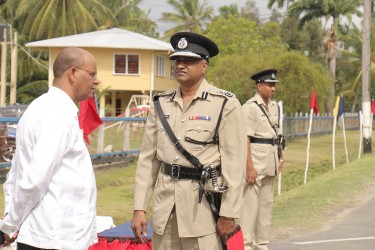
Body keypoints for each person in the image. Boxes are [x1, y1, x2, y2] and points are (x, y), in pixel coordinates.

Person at [131, 32, 247, 250]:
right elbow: (148, 160)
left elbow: (234, 163)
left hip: (202, 211)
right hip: (165, 211)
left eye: (189, 61)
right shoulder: (160, 103)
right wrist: (139, 207)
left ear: (204, 66)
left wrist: (229, 213)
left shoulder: (225, 104)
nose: (181, 65)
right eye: (177, 60)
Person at [0, 47, 99, 250]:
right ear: (73, 73)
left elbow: (17, 173)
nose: (96, 81)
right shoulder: (56, 114)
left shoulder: (43, 107)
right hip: (53, 237)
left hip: (51, 236)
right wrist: (10, 225)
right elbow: (34, 180)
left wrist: (10, 219)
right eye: (92, 74)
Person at [239, 69, 284, 250]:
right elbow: (245, 138)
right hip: (255, 162)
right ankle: (246, 244)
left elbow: (277, 133)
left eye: (274, 85)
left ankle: (262, 244)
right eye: (269, 85)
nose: (273, 88)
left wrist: (281, 156)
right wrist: (249, 166)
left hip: (270, 160)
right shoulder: (249, 108)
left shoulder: (274, 106)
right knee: (249, 208)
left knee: (266, 206)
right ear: (259, 86)